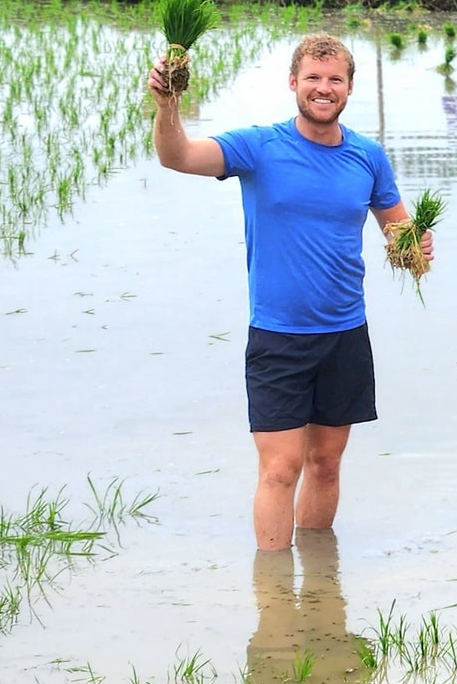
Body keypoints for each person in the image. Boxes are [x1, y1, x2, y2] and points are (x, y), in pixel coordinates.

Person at [150, 33, 429, 552]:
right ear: (294, 84)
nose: (323, 89)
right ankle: (276, 600)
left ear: (348, 88)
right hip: (279, 336)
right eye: (313, 79)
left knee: (325, 463)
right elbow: (178, 156)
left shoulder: (367, 157)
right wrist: (168, 104)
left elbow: (399, 231)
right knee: (281, 468)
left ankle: (321, 589)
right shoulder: (258, 147)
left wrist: (417, 246)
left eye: (334, 80)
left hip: (345, 333)